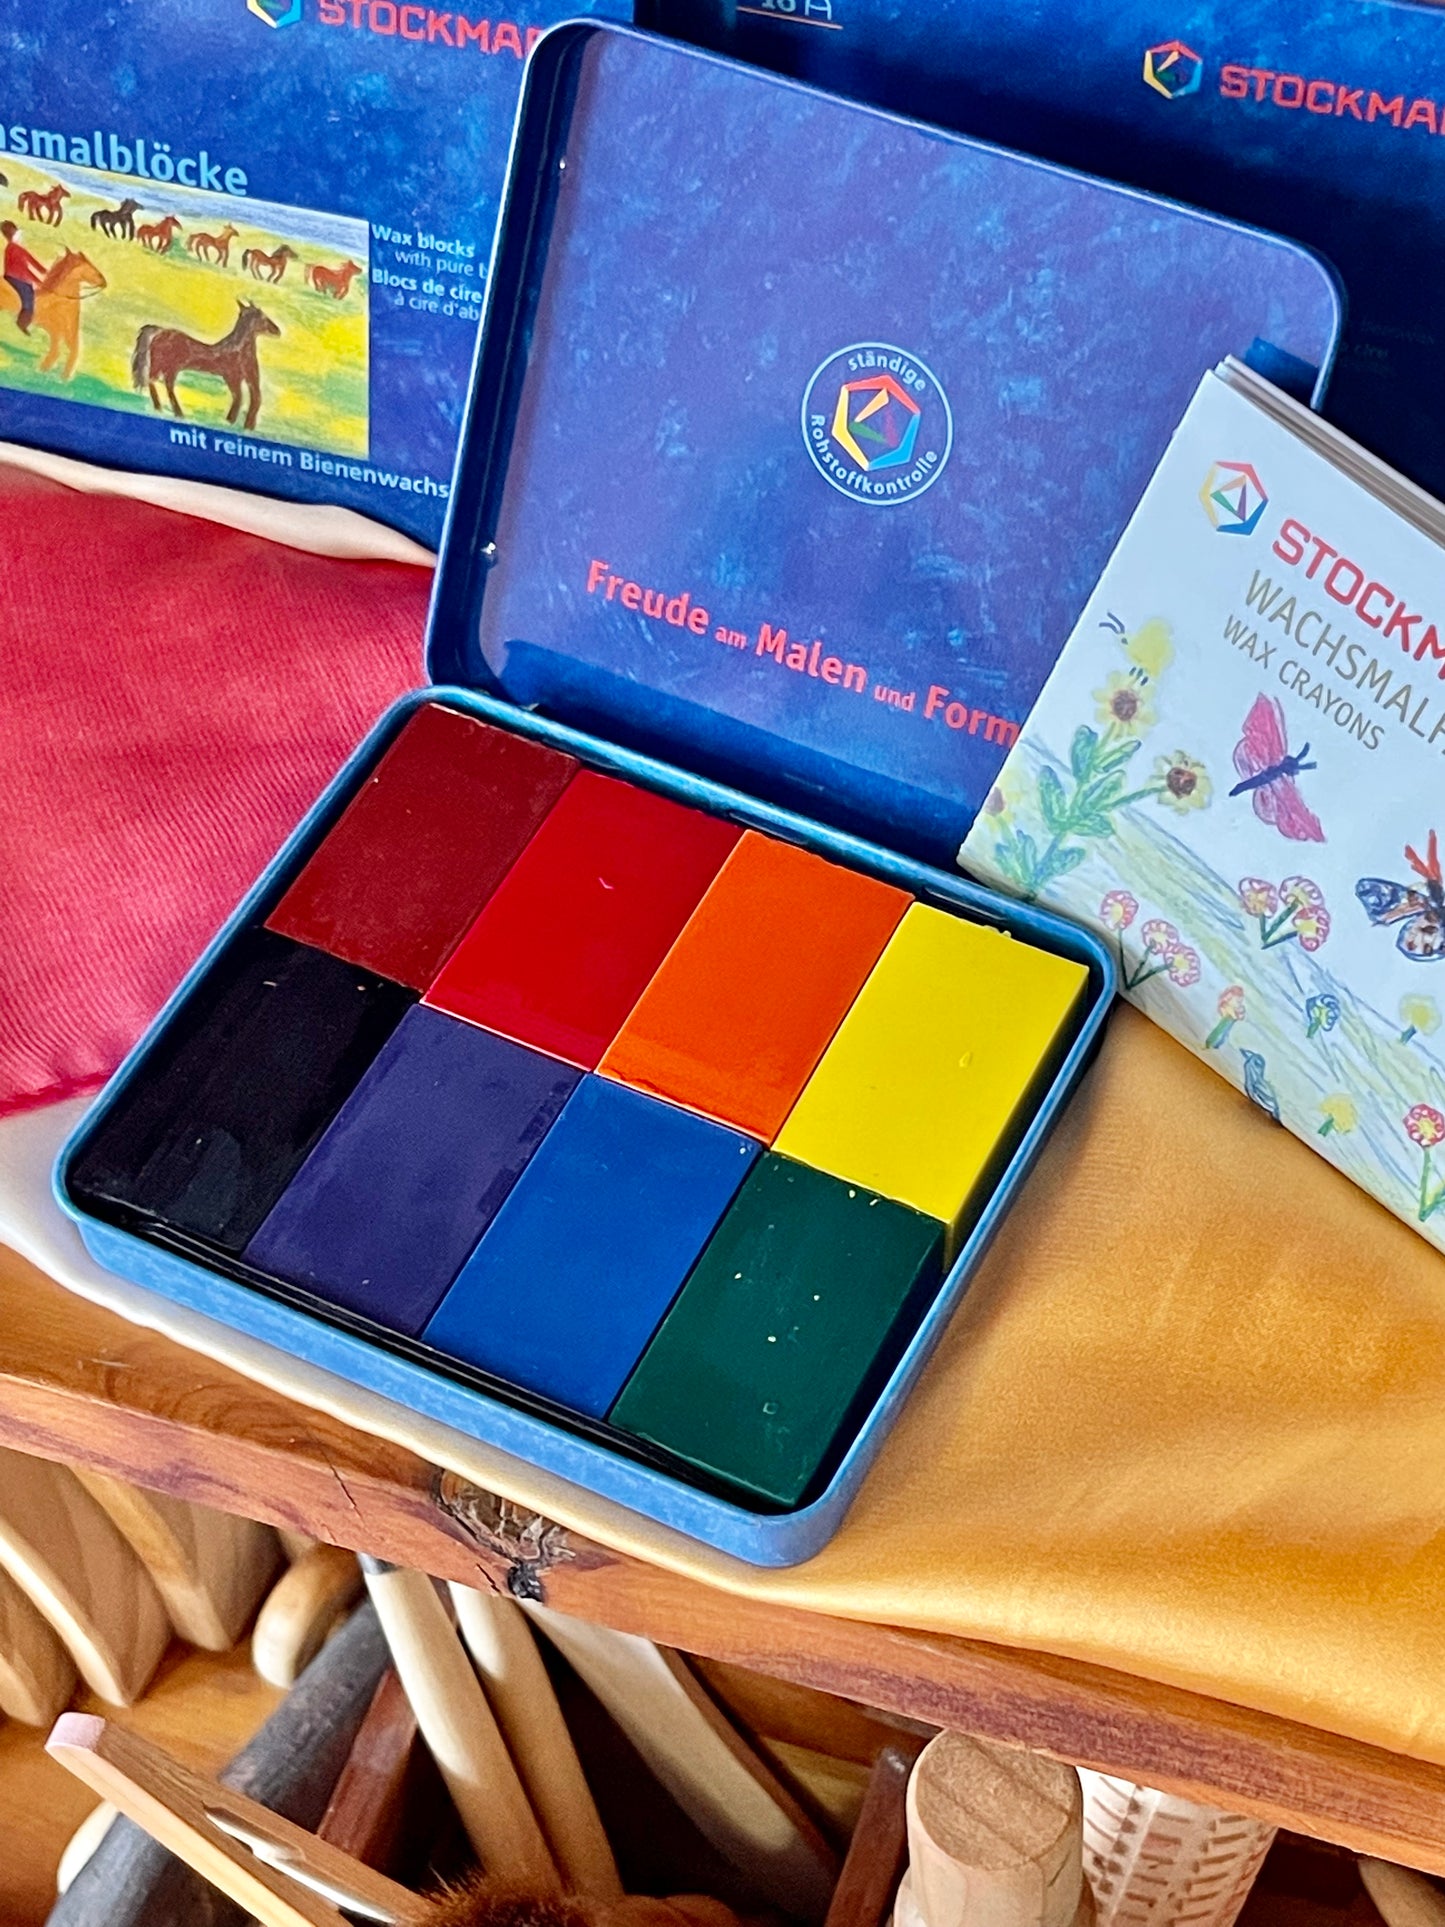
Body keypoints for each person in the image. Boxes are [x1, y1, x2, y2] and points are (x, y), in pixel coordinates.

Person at [2, 222, 46, 335]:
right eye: (17, 233)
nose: (20, 235)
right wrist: (37, 280)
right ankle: (22, 323)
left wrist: (44, 271)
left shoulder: (17, 248)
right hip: (16, 277)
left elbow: (32, 261)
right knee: (28, 298)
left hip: (18, 276)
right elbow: (22, 270)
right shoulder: (14, 248)